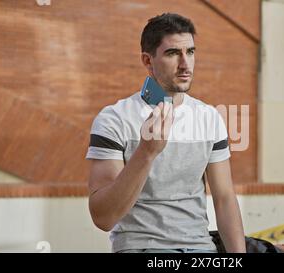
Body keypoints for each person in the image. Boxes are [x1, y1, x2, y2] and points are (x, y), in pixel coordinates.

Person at [86, 13, 246, 253]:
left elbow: (224, 199)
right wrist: (146, 152)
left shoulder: (209, 117)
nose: (185, 64)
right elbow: (103, 218)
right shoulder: (114, 119)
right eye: (173, 53)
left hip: (200, 249)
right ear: (148, 61)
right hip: (141, 248)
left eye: (190, 52)